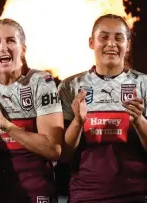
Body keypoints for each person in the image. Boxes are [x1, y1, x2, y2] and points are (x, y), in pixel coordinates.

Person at [0, 17, 64, 203]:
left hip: (36, 192)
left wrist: (4, 124)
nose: (3, 48)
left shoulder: (41, 82)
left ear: (23, 48)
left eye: (10, 40)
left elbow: (53, 149)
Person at [58, 14, 147, 203]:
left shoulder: (144, 85)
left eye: (119, 38)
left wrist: (139, 121)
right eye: (104, 37)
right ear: (91, 42)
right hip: (85, 194)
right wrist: (78, 122)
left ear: (128, 44)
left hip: (135, 194)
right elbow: (63, 155)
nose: (111, 44)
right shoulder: (70, 86)